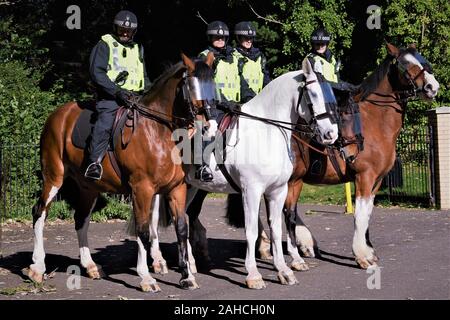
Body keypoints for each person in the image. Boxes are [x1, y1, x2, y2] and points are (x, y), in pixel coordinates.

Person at [84, 10, 151, 180]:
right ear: (115, 27)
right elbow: (96, 72)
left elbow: (142, 75)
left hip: (136, 97)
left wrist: (151, 91)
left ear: (134, 32)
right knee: (105, 122)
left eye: (128, 30)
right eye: (121, 29)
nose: (125, 32)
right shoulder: (105, 44)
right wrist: (116, 92)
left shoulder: (138, 48)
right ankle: (94, 162)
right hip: (112, 97)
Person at [195, 20, 241, 182]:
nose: (220, 40)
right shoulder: (205, 56)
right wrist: (223, 103)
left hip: (235, 105)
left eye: (222, 38)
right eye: (216, 37)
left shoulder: (234, 56)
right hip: (214, 105)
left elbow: (242, 82)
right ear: (210, 38)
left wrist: (249, 99)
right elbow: (206, 85)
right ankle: (202, 165)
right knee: (210, 130)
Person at [306, 27, 357, 92]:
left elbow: (337, 80)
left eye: (322, 44)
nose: (320, 47)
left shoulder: (332, 59)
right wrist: (342, 86)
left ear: (327, 44)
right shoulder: (311, 59)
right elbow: (321, 81)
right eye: (317, 44)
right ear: (313, 45)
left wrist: (350, 86)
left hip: (334, 92)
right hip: (320, 95)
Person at [233, 21, 271, 103]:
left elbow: (266, 78)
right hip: (243, 102)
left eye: (251, 38)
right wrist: (250, 98)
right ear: (238, 38)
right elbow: (240, 81)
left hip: (259, 100)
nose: (249, 41)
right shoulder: (233, 57)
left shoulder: (259, 56)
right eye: (246, 38)